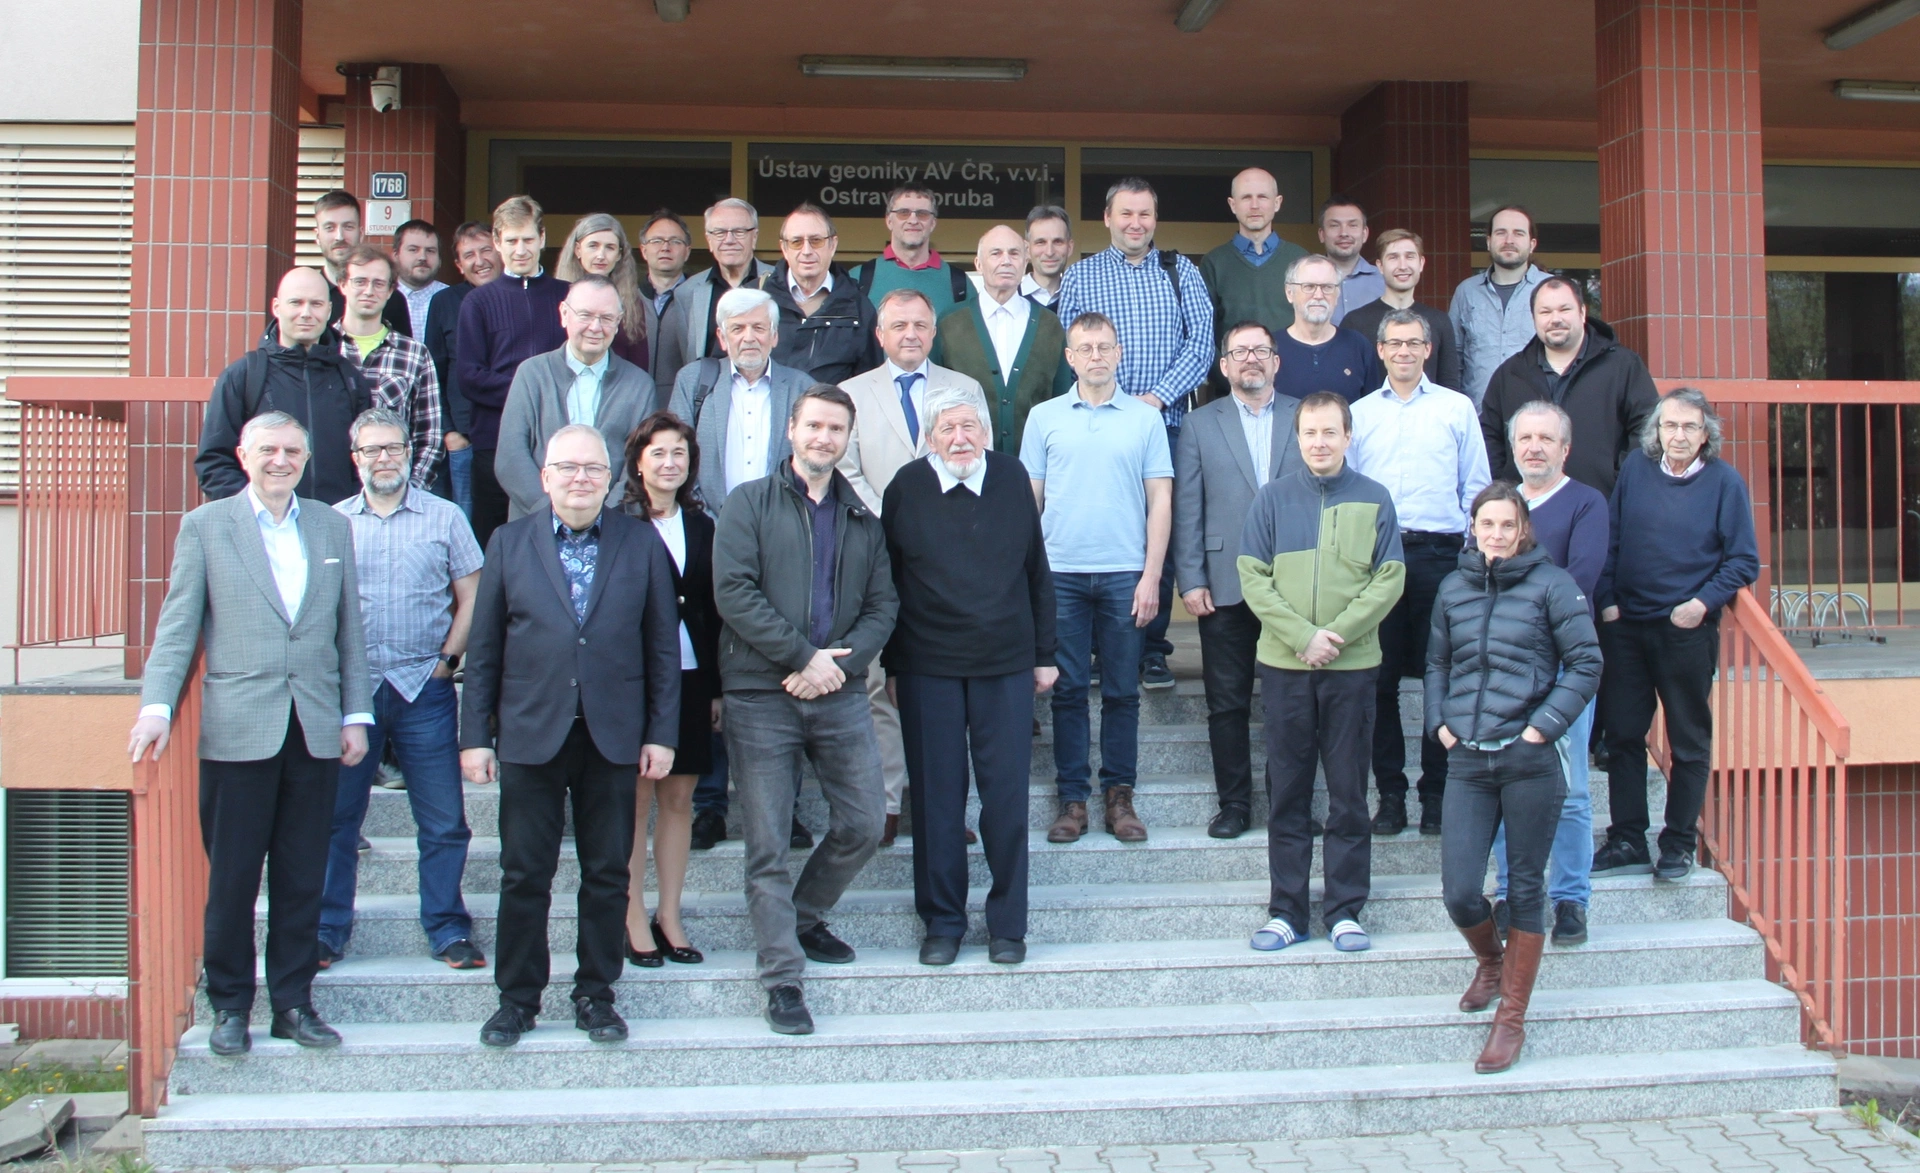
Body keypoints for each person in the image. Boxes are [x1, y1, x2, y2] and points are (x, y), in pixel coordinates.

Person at [129, 411, 372, 1056]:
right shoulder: (207, 527)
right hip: (239, 731)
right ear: (243, 455)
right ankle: (230, 1004)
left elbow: (350, 631)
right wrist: (157, 705)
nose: (280, 460)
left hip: (315, 730)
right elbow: (179, 626)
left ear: (308, 456)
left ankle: (293, 1004)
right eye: (268, 449)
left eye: (293, 449)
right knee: (233, 878)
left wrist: (356, 714)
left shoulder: (331, 526)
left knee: (302, 877)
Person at [459, 424, 681, 1049]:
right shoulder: (508, 542)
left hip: (613, 735)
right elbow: (485, 648)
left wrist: (661, 733)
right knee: (523, 871)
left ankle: (596, 992)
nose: (581, 478)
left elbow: (663, 648)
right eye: (568, 468)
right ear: (545, 477)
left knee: (607, 871)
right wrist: (475, 735)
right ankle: (517, 998)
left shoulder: (640, 543)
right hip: (531, 731)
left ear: (611, 477)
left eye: (592, 468)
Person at [712, 386, 898, 1036]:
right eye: (813, 425)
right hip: (762, 696)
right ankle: (782, 978)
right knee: (767, 843)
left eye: (835, 429)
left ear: (847, 438)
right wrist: (801, 657)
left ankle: (805, 914)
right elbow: (732, 591)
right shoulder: (747, 504)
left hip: (839, 694)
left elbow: (884, 607)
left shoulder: (861, 520)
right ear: (792, 429)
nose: (823, 437)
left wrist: (837, 667)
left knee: (865, 820)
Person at [1429, 482, 1602, 1075]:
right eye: (1487, 525)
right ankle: (1491, 963)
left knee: (1525, 889)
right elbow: (1437, 663)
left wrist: (1543, 728)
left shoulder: (1553, 585)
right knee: (1458, 890)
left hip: (1530, 759)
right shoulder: (1454, 587)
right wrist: (1441, 725)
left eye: (1507, 525)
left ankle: (1512, 1019)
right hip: (1469, 760)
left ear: (1523, 529)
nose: (1497, 535)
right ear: (1472, 528)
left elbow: (1586, 662)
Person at [884, 385, 1054, 966]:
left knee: (1005, 797)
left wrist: (1045, 653)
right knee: (936, 799)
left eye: (969, 427)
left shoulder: (1010, 477)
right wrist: (892, 665)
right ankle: (942, 922)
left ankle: (1007, 925)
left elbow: (1037, 570)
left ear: (985, 430)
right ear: (929, 438)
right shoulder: (905, 487)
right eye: (946, 430)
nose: (959, 439)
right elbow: (891, 584)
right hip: (928, 664)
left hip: (1004, 662)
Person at [1240, 392, 1404, 955]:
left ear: (1348, 435)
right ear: (1298, 436)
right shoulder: (1272, 499)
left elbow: (1389, 578)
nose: (1319, 442)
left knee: (1348, 792)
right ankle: (1286, 911)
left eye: (1329, 432)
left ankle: (1344, 910)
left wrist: (1335, 634)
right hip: (1286, 666)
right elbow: (1252, 577)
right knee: (1286, 790)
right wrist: (1302, 636)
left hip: (1352, 668)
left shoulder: (1375, 499)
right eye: (1310, 433)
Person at [320, 408, 483, 970]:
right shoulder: (331, 523)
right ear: (355, 458)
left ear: (410, 453)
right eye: (372, 450)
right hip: (355, 695)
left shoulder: (444, 518)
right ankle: (326, 928)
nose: (384, 458)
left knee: (443, 820)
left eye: (393, 448)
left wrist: (447, 662)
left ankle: (446, 926)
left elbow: (473, 596)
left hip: (424, 688)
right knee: (338, 819)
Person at [666, 286, 816, 852]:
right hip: (707, 536)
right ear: (721, 337)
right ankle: (709, 803)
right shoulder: (695, 382)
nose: (749, 339)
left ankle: (790, 806)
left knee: (782, 670)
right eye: (738, 330)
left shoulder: (800, 387)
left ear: (775, 335)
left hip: (781, 543)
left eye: (759, 329)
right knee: (711, 670)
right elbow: (677, 453)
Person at [836, 288, 987, 846]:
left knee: (942, 685)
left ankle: (941, 802)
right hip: (875, 554)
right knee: (879, 683)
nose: (910, 334)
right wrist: (891, 518)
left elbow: (978, 461)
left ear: (933, 331)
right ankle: (890, 800)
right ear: (879, 334)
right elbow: (845, 471)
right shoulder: (851, 394)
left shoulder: (963, 390)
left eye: (921, 325)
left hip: (949, 562)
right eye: (898, 325)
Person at [1593, 388, 1758, 881]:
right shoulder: (1636, 473)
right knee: (1621, 735)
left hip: (1684, 630)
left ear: (1706, 434)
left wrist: (1701, 604)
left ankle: (1678, 843)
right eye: (1670, 426)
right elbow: (1613, 539)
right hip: (1628, 627)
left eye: (1689, 427)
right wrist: (1608, 601)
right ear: (1656, 431)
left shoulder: (1725, 483)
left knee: (1688, 741)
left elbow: (1743, 560)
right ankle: (1627, 839)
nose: (1679, 435)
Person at [1055, 178, 1213, 691]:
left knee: (1157, 540)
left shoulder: (1179, 270)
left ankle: (1151, 649)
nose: (1136, 223)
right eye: (1126, 214)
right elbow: (1072, 348)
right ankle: (1104, 646)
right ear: (1107, 218)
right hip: (1094, 426)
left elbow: (1202, 344)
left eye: (1145, 214)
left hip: (1163, 425)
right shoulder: (1080, 276)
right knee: (1103, 530)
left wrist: (1156, 398)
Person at [1022, 312, 1173, 845]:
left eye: (1105, 347)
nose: (1095, 356)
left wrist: (1152, 575)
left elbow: (1160, 499)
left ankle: (1119, 797)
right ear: (1069, 357)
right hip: (1059, 574)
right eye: (1085, 348)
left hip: (1124, 573)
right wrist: (1030, 577)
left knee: (1122, 692)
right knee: (1063, 692)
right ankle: (1071, 800)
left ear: (1119, 352)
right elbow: (1031, 501)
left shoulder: (1144, 419)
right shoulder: (1043, 418)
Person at [1347, 309, 1490, 836]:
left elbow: (1475, 486)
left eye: (1414, 343)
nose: (1404, 351)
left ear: (1428, 350)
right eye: (1394, 343)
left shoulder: (1456, 409)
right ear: (1379, 350)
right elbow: (1353, 493)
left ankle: (1437, 793)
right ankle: (1391, 795)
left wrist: (1473, 559)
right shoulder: (1360, 414)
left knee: (1442, 677)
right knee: (1379, 681)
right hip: (1378, 560)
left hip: (1440, 557)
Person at [1173, 322, 1303, 840]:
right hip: (1223, 583)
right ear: (1223, 365)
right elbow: (1188, 507)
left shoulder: (1304, 416)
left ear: (1276, 361)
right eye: (1239, 352)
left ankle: (1288, 805)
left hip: (1295, 587)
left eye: (1261, 351)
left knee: (1289, 705)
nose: (1251, 359)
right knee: (1226, 703)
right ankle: (1234, 805)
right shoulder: (1200, 424)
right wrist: (1190, 579)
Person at [1488, 401, 1610, 946]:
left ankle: (1570, 901)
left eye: (1546, 438)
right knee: (1501, 787)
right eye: (1525, 437)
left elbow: (1577, 583)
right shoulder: (1500, 505)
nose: (1534, 447)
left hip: (1564, 666)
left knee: (1573, 792)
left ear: (1565, 448)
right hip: (1502, 667)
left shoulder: (1585, 503)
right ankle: (1512, 894)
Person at [618, 412, 722, 967]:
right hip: (634, 684)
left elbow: (712, 608)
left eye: (679, 453)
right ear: (639, 460)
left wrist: (717, 689)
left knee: (678, 799)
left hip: (691, 677)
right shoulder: (617, 524)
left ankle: (670, 914)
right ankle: (632, 914)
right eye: (658, 452)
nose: (669, 463)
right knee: (635, 801)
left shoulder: (703, 526)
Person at [198, 267, 372, 504]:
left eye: (316, 304)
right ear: (277, 307)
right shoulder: (243, 376)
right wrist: (254, 512)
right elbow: (214, 461)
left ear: (329, 310)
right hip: (264, 526)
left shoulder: (350, 380)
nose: (306, 313)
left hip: (334, 523)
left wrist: (348, 510)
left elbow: (364, 459)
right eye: (296, 303)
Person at [456, 195, 570, 551]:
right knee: (497, 543)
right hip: (495, 441)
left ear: (542, 237)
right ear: (497, 242)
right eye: (511, 241)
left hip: (560, 439)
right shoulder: (477, 302)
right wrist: (529, 389)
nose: (520, 250)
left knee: (560, 537)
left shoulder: (567, 297)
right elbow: (470, 376)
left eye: (528, 239)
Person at [494, 275, 658, 520]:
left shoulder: (639, 385)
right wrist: (551, 514)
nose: (595, 327)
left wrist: (601, 517)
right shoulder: (532, 374)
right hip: (535, 523)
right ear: (564, 314)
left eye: (606, 318)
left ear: (618, 323)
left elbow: (639, 463)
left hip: (612, 527)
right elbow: (510, 457)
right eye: (586, 315)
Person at [1480, 276, 1659, 498]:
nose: (1555, 319)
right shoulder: (1510, 374)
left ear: (1582, 312)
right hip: (1526, 513)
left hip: (1603, 507)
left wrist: (1620, 480)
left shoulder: (1623, 366)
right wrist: (1505, 487)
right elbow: (1489, 436)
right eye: (1545, 312)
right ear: (1534, 318)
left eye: (1564, 309)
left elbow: (1648, 427)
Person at [932, 225, 1073, 452]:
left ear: (1025, 261)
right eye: (995, 253)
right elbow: (934, 399)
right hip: (965, 462)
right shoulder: (950, 323)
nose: (1006, 261)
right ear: (978, 264)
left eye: (1014, 253)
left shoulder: (1050, 325)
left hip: (1034, 468)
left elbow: (1062, 401)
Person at [335, 244, 444, 487]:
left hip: (394, 492)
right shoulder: (324, 348)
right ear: (343, 285)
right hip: (331, 495)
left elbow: (430, 437)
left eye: (378, 283)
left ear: (390, 290)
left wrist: (410, 490)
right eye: (360, 281)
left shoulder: (414, 355)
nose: (369, 290)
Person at [423, 221, 500, 516]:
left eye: (486, 250)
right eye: (469, 255)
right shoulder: (443, 302)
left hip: (512, 436)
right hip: (464, 438)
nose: (479, 261)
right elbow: (432, 373)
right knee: (465, 524)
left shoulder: (520, 295)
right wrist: (448, 431)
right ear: (458, 264)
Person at [761, 204, 882, 385]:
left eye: (816, 241)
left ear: (832, 245)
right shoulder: (757, 299)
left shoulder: (860, 308)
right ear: (784, 248)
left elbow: (871, 385)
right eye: (796, 242)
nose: (807, 251)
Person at [655, 198, 769, 383]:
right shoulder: (688, 292)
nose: (729, 240)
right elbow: (689, 358)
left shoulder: (778, 283)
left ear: (754, 237)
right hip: (709, 398)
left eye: (739, 232)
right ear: (709, 239)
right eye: (719, 232)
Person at [1450, 206, 1553, 409]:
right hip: (1479, 420)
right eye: (1501, 232)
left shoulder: (1552, 290)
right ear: (1488, 242)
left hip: (1540, 418)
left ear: (1532, 244)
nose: (1509, 240)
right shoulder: (1466, 292)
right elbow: (1454, 358)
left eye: (1518, 233)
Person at [1340, 229, 1463, 394]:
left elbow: (1449, 386)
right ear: (1380, 266)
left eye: (1410, 256)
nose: (1403, 266)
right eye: (1393, 257)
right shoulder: (1355, 322)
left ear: (1421, 263)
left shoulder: (1439, 321)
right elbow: (1348, 386)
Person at [1198, 168, 1308, 348]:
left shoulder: (1300, 260)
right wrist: (1225, 374)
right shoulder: (1214, 263)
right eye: (1246, 197)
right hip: (1232, 375)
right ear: (1233, 205)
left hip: (1292, 374)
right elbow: (1203, 334)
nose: (1254, 205)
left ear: (1277, 203)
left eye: (1263, 197)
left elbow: (1312, 328)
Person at [281, 189, 411, 336]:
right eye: (330, 227)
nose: (339, 236)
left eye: (348, 226)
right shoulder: (303, 297)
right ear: (317, 236)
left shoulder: (390, 299)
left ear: (361, 233)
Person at [1271, 254, 1382, 405]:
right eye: (1309, 287)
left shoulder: (1358, 346)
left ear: (1337, 294)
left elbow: (1374, 409)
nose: (1318, 295)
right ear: (1290, 293)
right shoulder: (1269, 349)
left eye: (1327, 287)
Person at [851, 184, 971, 316]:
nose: (913, 220)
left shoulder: (960, 284)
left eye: (922, 214)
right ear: (889, 221)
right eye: (903, 213)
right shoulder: (858, 278)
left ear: (933, 223)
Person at [556, 213, 652, 375]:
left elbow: (639, 366)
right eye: (593, 246)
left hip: (617, 392)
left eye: (610, 247)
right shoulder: (557, 295)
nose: (601, 255)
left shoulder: (631, 303)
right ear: (578, 250)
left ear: (619, 254)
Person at [639, 209, 693, 382]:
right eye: (656, 241)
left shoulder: (700, 299)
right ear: (643, 250)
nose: (665, 247)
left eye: (675, 241)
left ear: (687, 251)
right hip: (634, 403)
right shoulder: (624, 298)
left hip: (683, 403)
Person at [1316, 197, 1384, 324]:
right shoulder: (1305, 281)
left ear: (1365, 234)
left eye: (1352, 225)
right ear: (1322, 234)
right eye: (1335, 225)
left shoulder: (1384, 280)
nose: (1344, 233)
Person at [391, 219, 448, 338]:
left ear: (440, 260)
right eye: (413, 250)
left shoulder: (452, 299)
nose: (422, 257)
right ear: (396, 256)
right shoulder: (381, 295)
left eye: (430, 251)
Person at [1021, 206, 1075, 311]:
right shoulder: (1010, 299)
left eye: (1058, 242)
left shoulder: (1080, 300)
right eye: (1041, 242)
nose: (1049, 252)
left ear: (1069, 247)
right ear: (1027, 249)